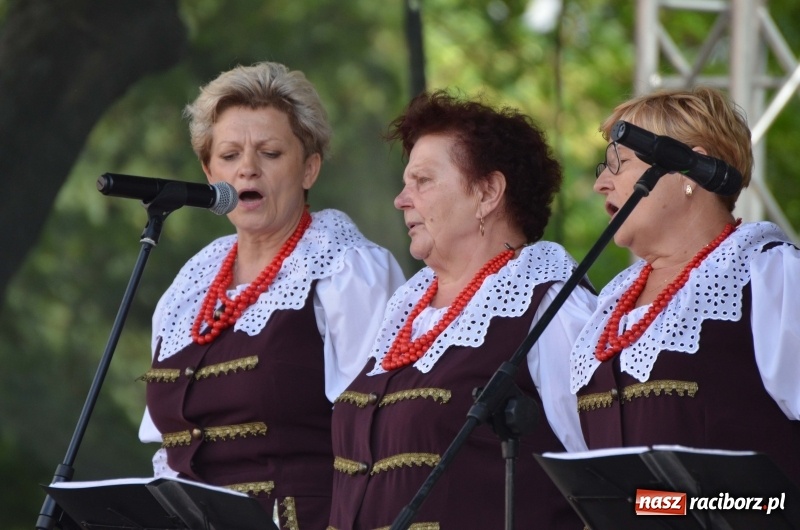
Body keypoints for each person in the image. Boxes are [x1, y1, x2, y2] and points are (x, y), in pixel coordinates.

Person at [137, 61, 405, 528]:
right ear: (208, 172)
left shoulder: (346, 270)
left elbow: (381, 441)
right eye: (230, 155)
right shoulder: (189, 286)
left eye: (271, 152)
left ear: (309, 168)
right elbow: (168, 449)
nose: (248, 169)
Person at [327, 90, 597, 530]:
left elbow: (602, 480)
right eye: (405, 182)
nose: (401, 199)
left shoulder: (548, 304)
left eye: (423, 181)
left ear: (487, 192)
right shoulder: (406, 308)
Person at [571, 87, 800, 486]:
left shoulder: (769, 277)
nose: (601, 184)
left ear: (689, 169)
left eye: (617, 163)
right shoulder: (609, 304)